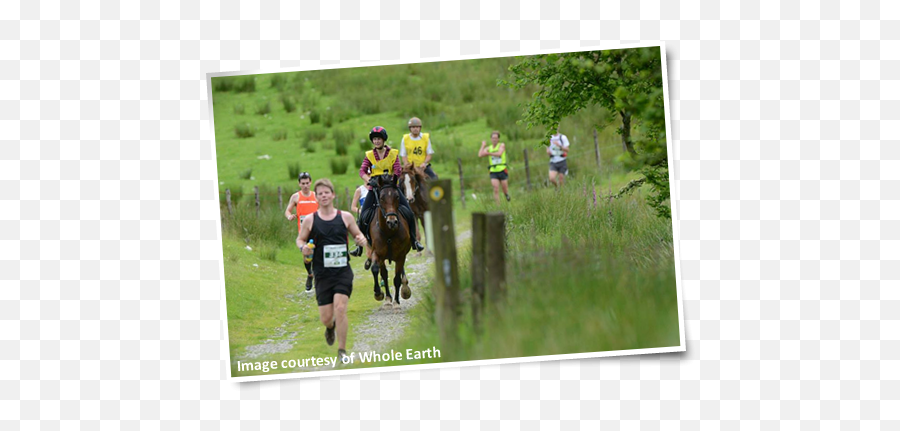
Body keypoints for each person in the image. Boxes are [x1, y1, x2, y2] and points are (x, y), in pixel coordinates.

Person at [298, 178, 367, 364]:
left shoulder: (345, 217)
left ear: (333, 195)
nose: (323, 196)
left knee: (341, 308)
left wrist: (361, 239)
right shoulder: (311, 220)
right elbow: (300, 239)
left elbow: (358, 234)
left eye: (326, 192)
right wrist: (303, 248)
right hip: (322, 273)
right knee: (327, 317)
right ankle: (330, 327)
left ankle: (342, 350)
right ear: (317, 198)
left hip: (342, 271)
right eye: (320, 193)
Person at [351, 126, 425, 255]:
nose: (377, 141)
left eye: (379, 139)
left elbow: (397, 169)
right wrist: (369, 180)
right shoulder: (369, 155)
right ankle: (360, 247)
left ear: (383, 140)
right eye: (374, 139)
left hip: (390, 187)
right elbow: (362, 171)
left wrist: (393, 179)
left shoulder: (393, 153)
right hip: (375, 188)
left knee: (407, 211)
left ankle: (414, 240)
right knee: (363, 215)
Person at [284, 172, 319, 292]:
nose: (305, 185)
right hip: (303, 233)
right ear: (299, 184)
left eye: (307, 183)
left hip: (317, 231)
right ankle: (310, 275)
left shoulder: (316, 196)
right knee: (307, 257)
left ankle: (320, 280)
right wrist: (289, 216)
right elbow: (288, 210)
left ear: (311, 182)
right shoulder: (296, 197)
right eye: (303, 183)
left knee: (318, 256)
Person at [478, 130, 510, 203]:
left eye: (496, 138)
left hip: (502, 170)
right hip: (493, 171)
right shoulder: (489, 148)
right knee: (495, 189)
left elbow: (499, 154)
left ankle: (506, 195)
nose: (494, 140)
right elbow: (480, 155)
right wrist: (482, 146)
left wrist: (488, 153)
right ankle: (497, 206)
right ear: (491, 139)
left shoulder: (501, 145)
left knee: (505, 189)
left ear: (498, 139)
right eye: (493, 138)